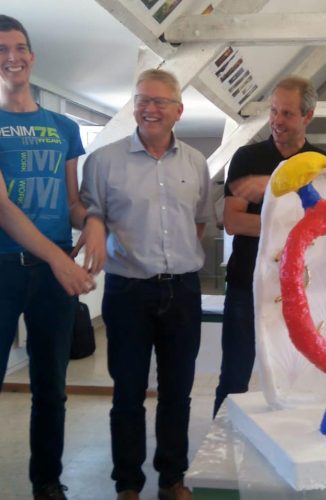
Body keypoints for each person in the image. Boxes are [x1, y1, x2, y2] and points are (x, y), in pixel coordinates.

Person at [81, 69, 212, 500]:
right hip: (128, 293)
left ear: (178, 110)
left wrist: (174, 261)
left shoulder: (196, 163)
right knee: (127, 394)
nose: (150, 109)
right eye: (142, 100)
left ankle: (172, 478)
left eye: (159, 102)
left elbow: (198, 223)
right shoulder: (103, 161)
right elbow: (90, 215)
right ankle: (128, 484)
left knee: (177, 393)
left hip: (183, 292)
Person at [0, 14, 104, 500]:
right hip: (4, 269)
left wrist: (95, 221)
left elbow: (73, 202)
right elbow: (4, 208)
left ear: (32, 55)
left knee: (51, 388)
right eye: (1, 50)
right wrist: (60, 261)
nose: (12, 57)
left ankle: (47, 483)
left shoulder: (63, 126)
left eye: (19, 47)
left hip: (52, 278)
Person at [213, 75, 326, 417]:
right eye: (274, 111)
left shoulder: (325, 164)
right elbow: (234, 222)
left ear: (308, 116)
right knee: (234, 376)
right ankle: (221, 446)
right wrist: (299, 224)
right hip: (247, 284)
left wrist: (271, 188)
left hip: (302, 288)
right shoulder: (246, 157)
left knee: (300, 377)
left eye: (287, 114)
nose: (277, 121)